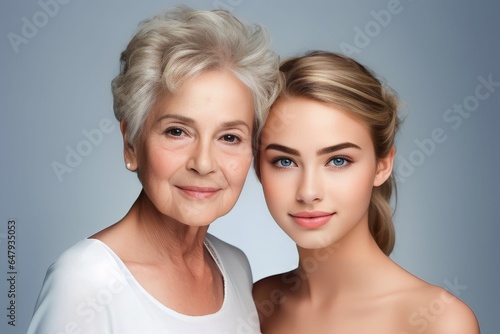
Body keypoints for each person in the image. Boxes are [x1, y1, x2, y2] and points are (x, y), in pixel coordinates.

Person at [27, 6, 279, 333]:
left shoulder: (235, 267)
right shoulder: (84, 281)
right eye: (177, 131)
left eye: (230, 137)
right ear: (131, 143)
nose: (203, 163)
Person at [253, 51, 479, 334]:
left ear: (382, 166)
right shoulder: (258, 304)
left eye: (338, 160)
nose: (308, 192)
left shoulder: (438, 321)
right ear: (259, 169)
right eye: (284, 161)